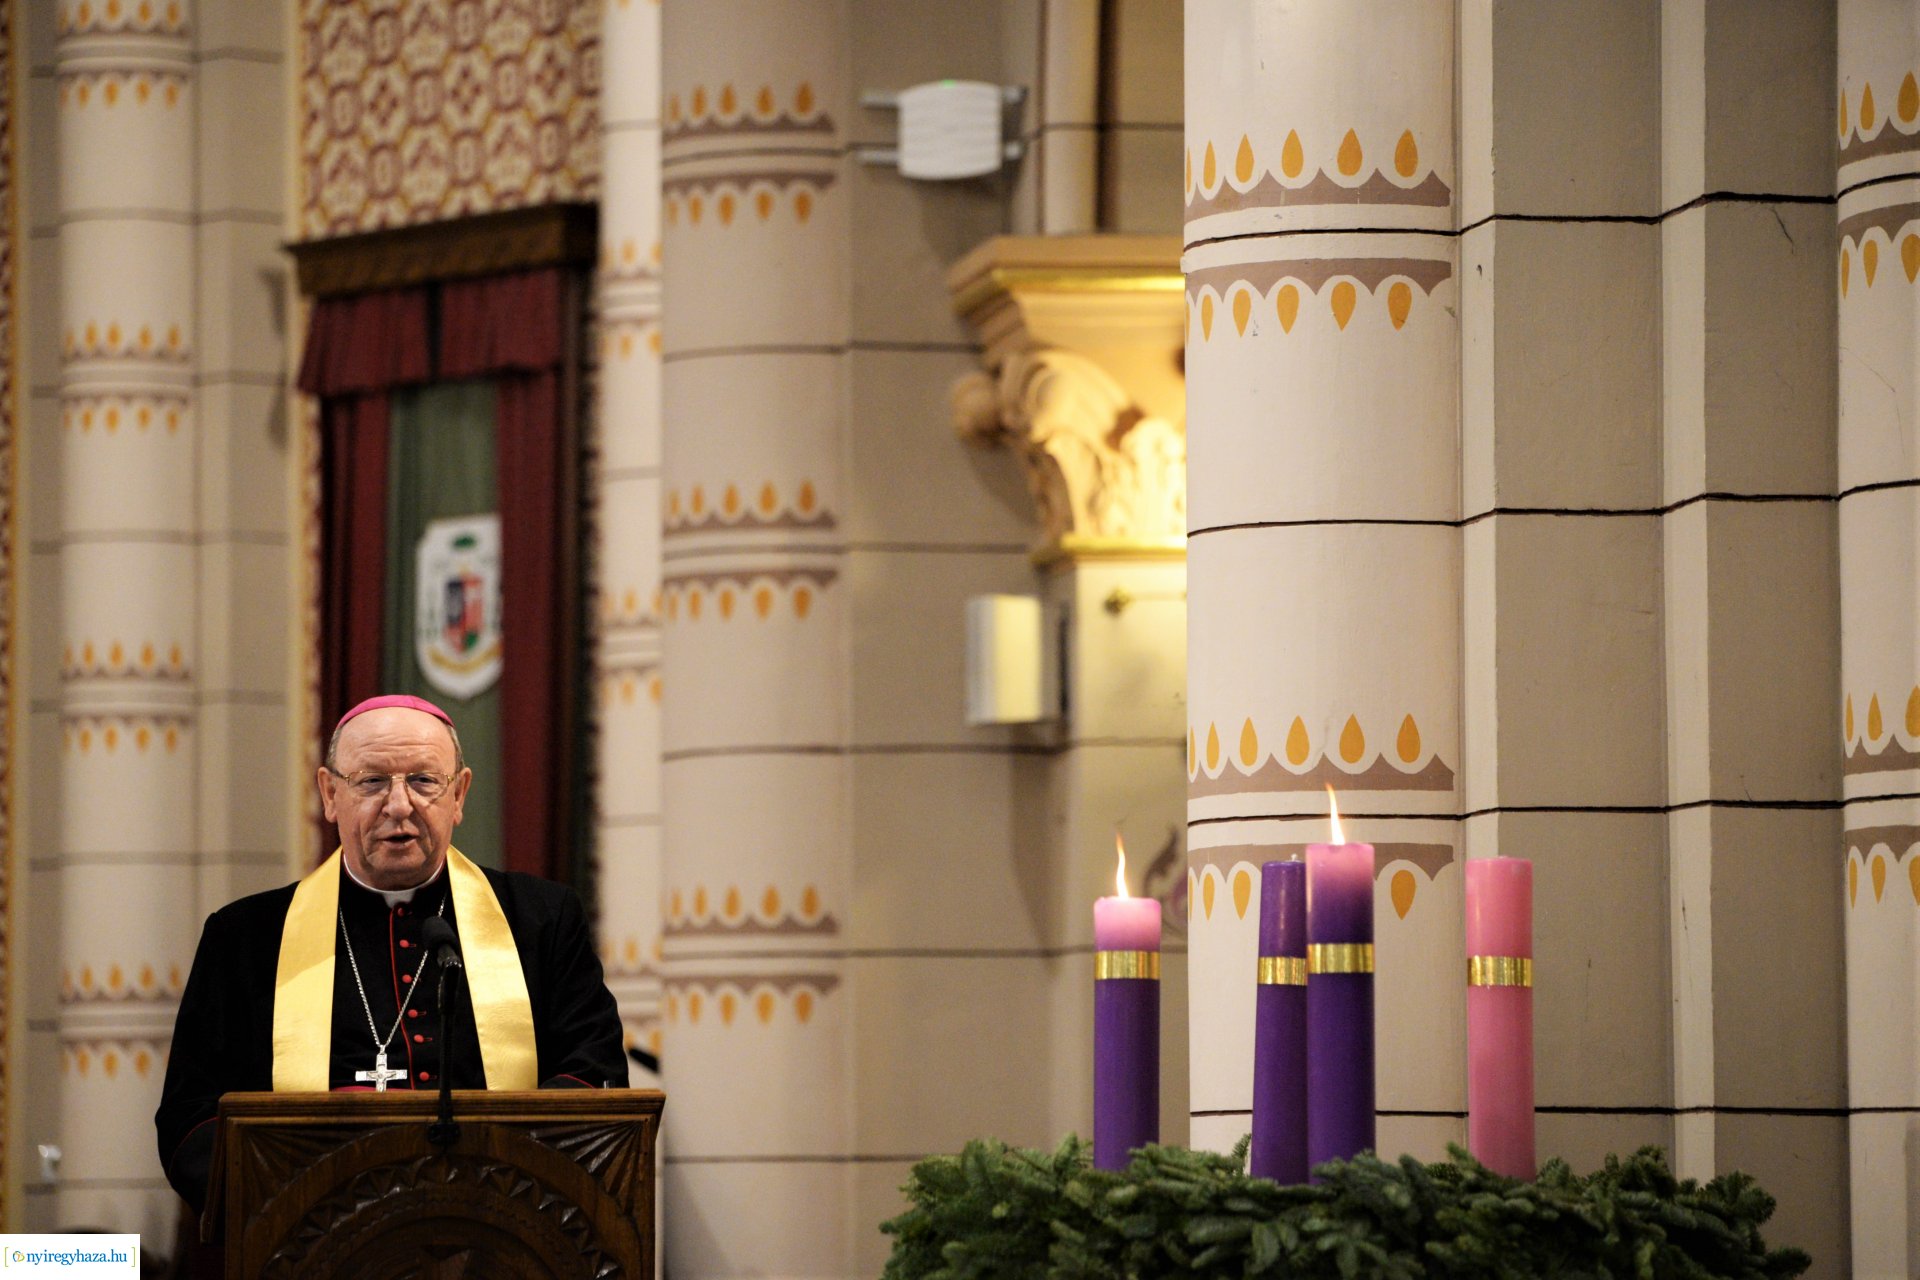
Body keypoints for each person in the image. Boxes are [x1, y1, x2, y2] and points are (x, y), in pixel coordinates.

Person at [154, 694, 627, 1213]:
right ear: (329, 794)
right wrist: (291, 1195)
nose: (399, 805)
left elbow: (593, 1073)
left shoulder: (541, 919)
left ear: (460, 794)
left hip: (499, 1223)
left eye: (424, 781)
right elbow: (190, 1117)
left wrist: (500, 1176)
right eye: (372, 781)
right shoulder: (244, 938)